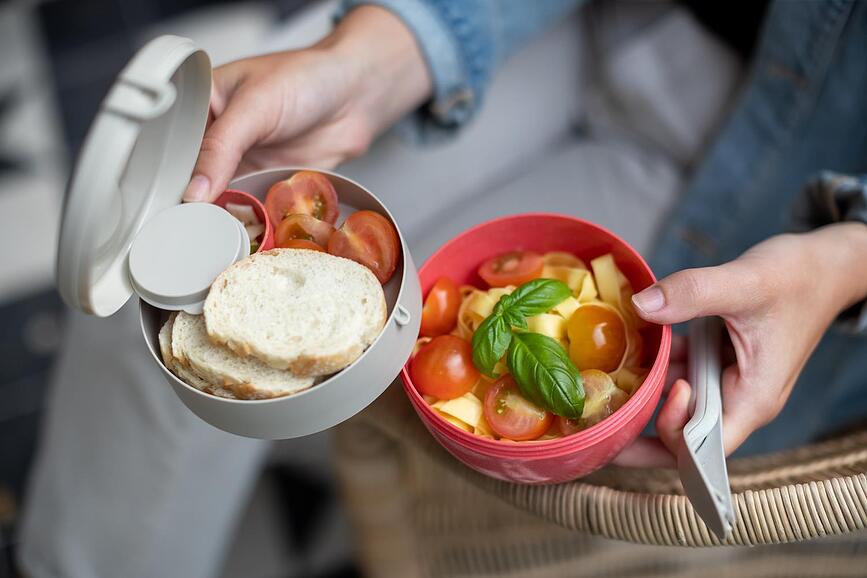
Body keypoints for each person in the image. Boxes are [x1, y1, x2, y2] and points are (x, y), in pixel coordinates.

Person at [19, 0, 867, 576]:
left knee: (335, 392)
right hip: (560, 21)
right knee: (154, 305)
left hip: (769, 187)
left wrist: (844, 262)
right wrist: (380, 50)